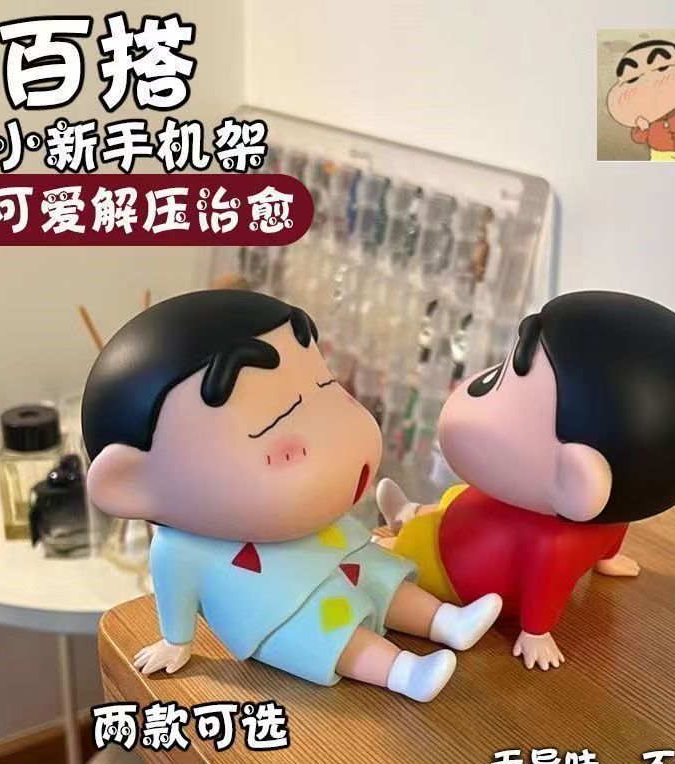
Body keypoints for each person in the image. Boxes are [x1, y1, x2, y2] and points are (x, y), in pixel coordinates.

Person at [82, 290, 501, 702]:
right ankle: (403, 671)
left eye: (326, 385)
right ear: (131, 485)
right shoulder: (179, 547)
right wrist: (176, 641)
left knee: (382, 579)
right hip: (275, 606)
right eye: (272, 423)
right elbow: (175, 592)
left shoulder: (310, 515)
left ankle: (446, 621)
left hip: (333, 547)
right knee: (332, 629)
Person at [376, 291, 675, 670]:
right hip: (467, 516)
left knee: (408, 550)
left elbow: (543, 584)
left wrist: (536, 631)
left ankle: (390, 541)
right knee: (449, 502)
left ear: (577, 482)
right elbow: (613, 529)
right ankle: (407, 513)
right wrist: (606, 558)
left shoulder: (556, 541)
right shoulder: (609, 511)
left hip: (450, 564)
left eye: (502, 386)